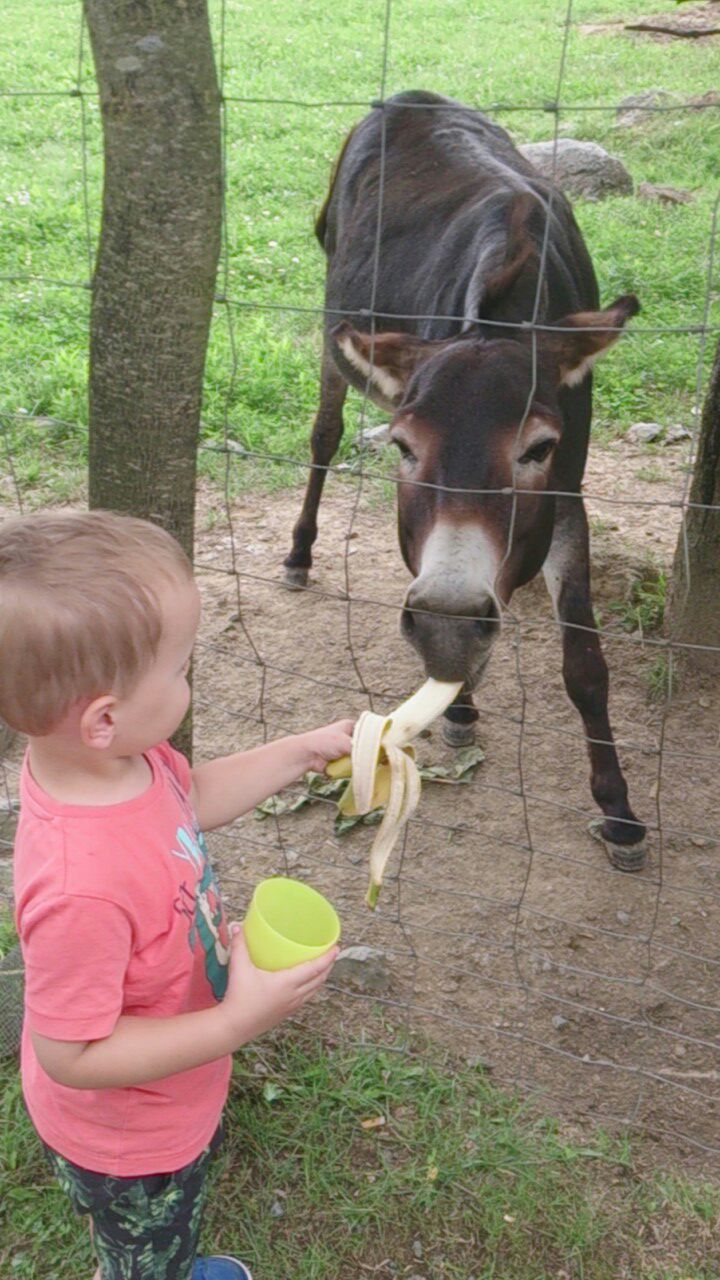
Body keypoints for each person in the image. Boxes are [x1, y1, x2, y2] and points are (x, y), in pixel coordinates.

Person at [2, 509, 353, 1280]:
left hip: (173, 1089)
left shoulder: (123, 762)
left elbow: (187, 799)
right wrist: (239, 1020)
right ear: (103, 717)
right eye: (180, 666)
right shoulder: (78, 885)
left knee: (172, 1212)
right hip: (128, 1138)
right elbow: (73, 1052)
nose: (189, 681)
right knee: (146, 1254)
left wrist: (300, 751)